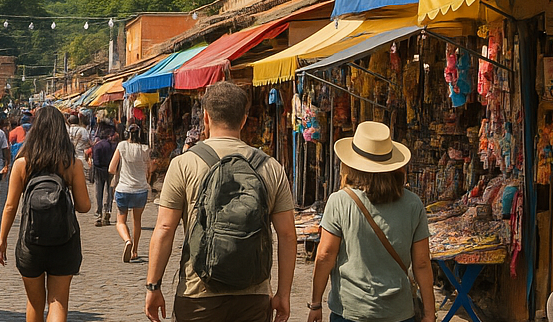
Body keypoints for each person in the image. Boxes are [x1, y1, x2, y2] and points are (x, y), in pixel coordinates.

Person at [146, 81, 296, 322]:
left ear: (205, 117)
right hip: (253, 295)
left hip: (198, 294)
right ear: (244, 119)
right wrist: (283, 293)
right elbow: (287, 234)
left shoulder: (183, 164)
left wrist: (153, 286)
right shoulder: (271, 167)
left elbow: (164, 228)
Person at [307, 121, 435, 322]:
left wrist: (316, 304)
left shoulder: (340, 201)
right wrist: (429, 313)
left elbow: (325, 256)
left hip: (351, 310)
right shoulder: (413, 204)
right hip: (399, 312)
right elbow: (422, 263)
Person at [0, 106, 92, 322]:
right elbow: (84, 206)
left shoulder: (22, 163)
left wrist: (2, 239)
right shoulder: (71, 163)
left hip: (31, 242)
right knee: (58, 301)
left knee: (34, 303)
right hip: (64, 240)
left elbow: (10, 206)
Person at [109, 123, 152, 262]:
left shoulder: (122, 146)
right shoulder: (145, 148)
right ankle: (135, 250)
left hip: (123, 189)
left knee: (120, 221)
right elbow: (149, 169)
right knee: (137, 221)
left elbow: (111, 168)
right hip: (140, 189)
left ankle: (127, 240)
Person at [91, 123, 117, 227]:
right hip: (109, 170)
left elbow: (95, 161)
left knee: (98, 193)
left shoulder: (97, 146)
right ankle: (107, 212)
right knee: (109, 192)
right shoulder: (113, 146)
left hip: (98, 171)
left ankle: (98, 214)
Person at [67, 114, 91, 180]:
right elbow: (87, 140)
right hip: (81, 154)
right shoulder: (83, 130)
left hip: (71, 154)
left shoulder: (68, 129)